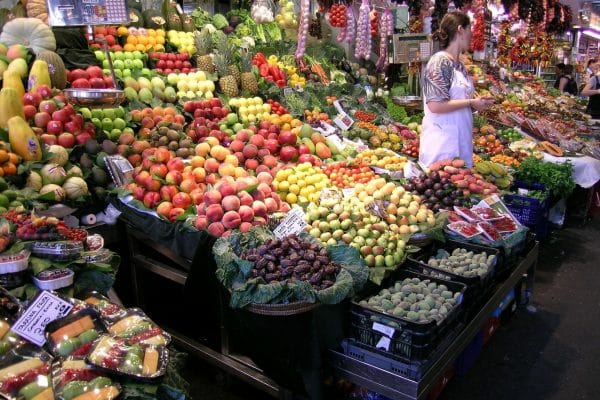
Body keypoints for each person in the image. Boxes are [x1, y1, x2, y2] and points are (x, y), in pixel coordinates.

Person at [419, 11, 494, 168]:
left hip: (460, 140)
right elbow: (435, 105)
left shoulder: (459, 66)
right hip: (443, 145)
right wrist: (470, 102)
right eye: (470, 29)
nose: (472, 35)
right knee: (442, 188)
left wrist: (476, 104)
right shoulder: (439, 62)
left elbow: (456, 102)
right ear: (460, 29)